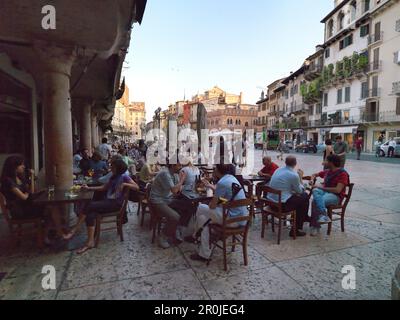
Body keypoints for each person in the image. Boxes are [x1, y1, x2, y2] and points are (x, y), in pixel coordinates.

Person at [64, 159, 139, 254]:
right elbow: (103, 188)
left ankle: (75, 230)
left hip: (115, 204)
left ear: (117, 167)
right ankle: (90, 242)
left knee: (89, 205)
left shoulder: (124, 177)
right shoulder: (113, 177)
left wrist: (124, 184)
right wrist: (88, 188)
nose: (111, 167)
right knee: (90, 213)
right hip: (108, 202)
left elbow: (137, 187)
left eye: (113, 166)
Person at [189, 164, 248, 262]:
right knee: (203, 219)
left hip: (231, 220)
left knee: (200, 207)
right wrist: (210, 186)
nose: (214, 171)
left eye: (215, 169)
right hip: (242, 219)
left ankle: (195, 235)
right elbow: (226, 193)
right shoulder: (231, 178)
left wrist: (213, 198)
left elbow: (212, 206)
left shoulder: (221, 183)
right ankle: (203, 253)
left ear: (218, 171)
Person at [0, 156, 67, 242]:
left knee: (52, 206)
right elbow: (24, 197)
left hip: (25, 205)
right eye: (21, 165)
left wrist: (32, 177)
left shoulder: (19, 177)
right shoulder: (8, 181)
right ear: (14, 166)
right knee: (51, 208)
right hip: (19, 210)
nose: (23, 167)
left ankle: (49, 233)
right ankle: (54, 233)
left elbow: (31, 191)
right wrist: (28, 193)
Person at [149, 161, 191, 249]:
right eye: (179, 165)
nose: (181, 167)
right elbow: (174, 190)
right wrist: (182, 179)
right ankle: (163, 236)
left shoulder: (174, 174)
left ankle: (176, 230)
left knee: (188, 206)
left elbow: (176, 191)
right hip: (158, 201)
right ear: (172, 165)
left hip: (167, 199)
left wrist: (180, 183)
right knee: (175, 217)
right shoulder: (165, 173)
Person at [267, 156, 309, 237]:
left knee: (302, 201)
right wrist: (300, 177)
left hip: (271, 203)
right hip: (281, 206)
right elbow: (300, 191)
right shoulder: (294, 175)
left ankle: (303, 217)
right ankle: (296, 228)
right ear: (295, 163)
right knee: (305, 197)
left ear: (285, 162)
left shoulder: (278, 170)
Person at [309, 155, 350, 236]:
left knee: (315, 201)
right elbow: (314, 174)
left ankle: (315, 226)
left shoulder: (342, 174)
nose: (324, 162)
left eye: (326, 161)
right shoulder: (328, 171)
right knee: (315, 190)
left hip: (336, 196)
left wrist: (322, 187)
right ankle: (323, 214)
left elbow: (337, 190)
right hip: (325, 192)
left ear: (331, 163)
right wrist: (311, 179)